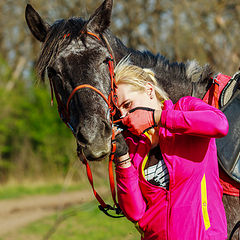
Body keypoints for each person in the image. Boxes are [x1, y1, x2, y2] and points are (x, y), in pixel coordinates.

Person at [113, 58, 229, 240]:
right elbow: (135, 212)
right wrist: (122, 159)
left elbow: (219, 125)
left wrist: (156, 118)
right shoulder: (133, 146)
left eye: (128, 105)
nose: (125, 116)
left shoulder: (185, 107)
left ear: (149, 90)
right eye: (119, 112)